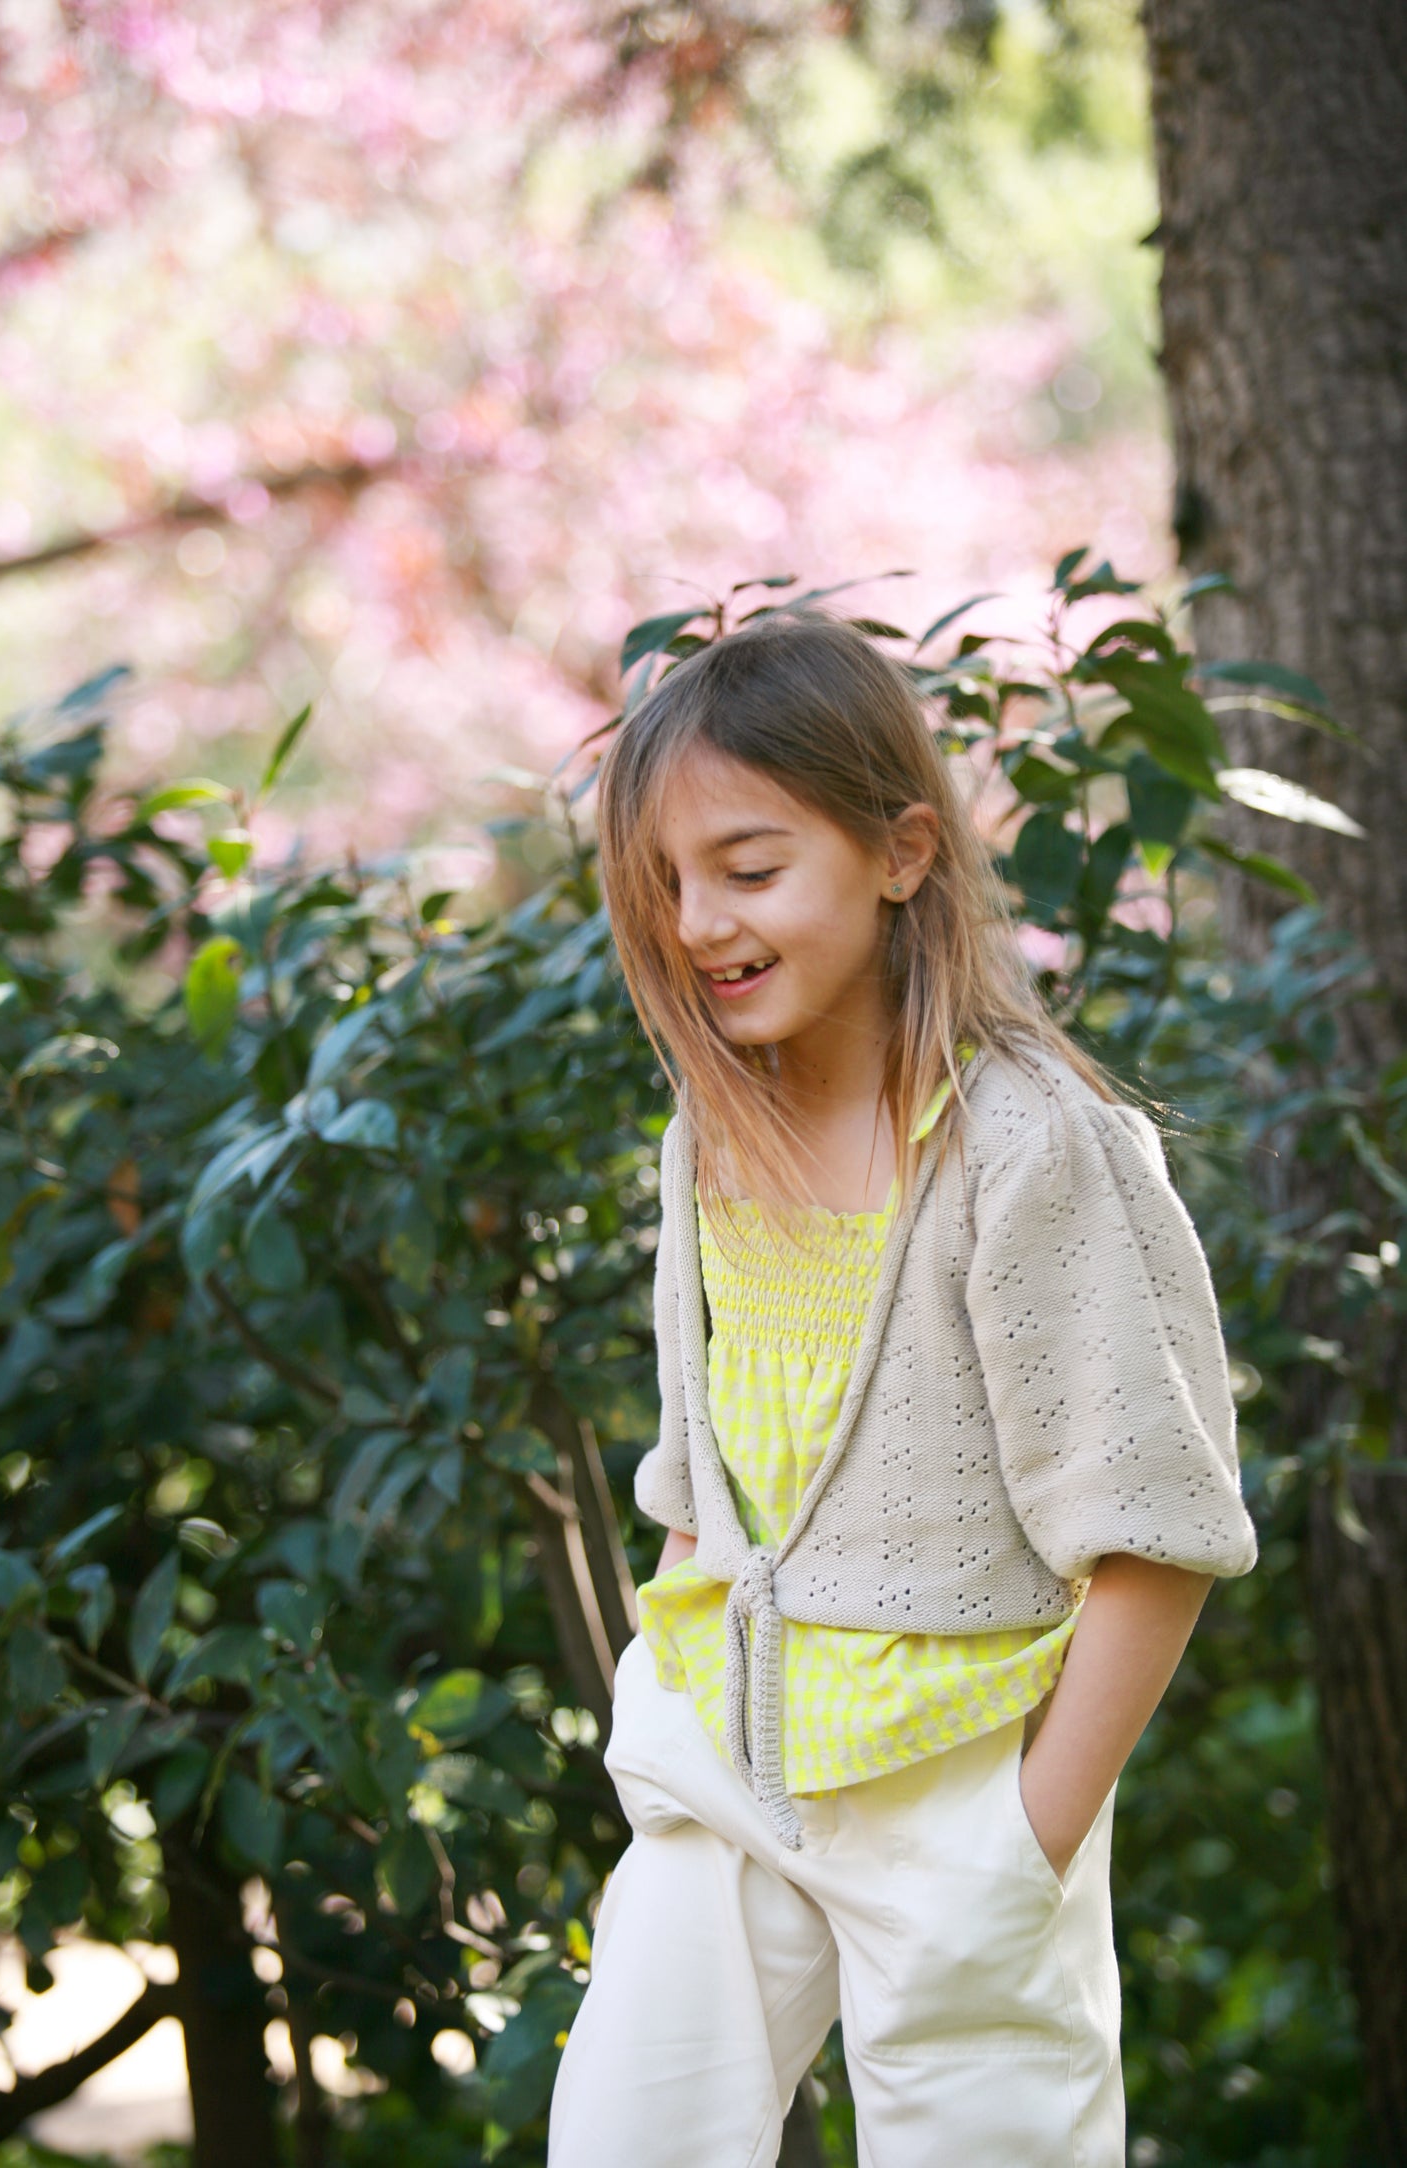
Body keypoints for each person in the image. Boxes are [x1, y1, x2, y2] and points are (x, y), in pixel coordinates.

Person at [548, 611, 1257, 2168]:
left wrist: (1022, 1850)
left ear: (900, 850)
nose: (696, 922)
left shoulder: (1029, 1149)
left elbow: (1151, 1530)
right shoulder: (707, 1140)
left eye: (746, 868)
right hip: (731, 1771)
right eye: (662, 883)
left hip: (965, 1790)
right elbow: (704, 1486)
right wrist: (668, 1717)